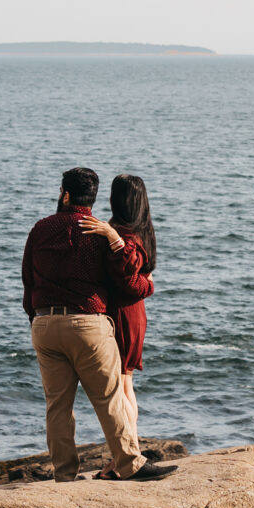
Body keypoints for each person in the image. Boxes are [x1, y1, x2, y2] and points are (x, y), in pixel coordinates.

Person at [21, 166, 173, 481]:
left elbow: (28, 283)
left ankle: (64, 473)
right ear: (93, 198)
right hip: (88, 324)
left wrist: (38, 318)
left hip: (45, 324)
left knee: (57, 406)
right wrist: (140, 273)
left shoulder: (39, 229)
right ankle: (130, 464)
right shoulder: (98, 232)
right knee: (109, 397)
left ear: (64, 194)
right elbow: (129, 280)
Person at [103, 173, 156, 436]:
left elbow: (129, 280)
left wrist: (110, 237)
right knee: (126, 383)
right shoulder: (141, 231)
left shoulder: (122, 236)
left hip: (121, 314)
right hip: (134, 314)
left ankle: (127, 452)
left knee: (120, 384)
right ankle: (128, 450)